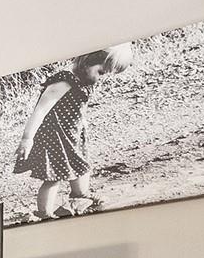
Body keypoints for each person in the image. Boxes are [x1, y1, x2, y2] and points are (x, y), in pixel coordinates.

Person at [13, 44, 131, 218]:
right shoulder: (64, 81)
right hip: (55, 139)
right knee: (53, 178)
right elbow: (41, 110)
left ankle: (80, 197)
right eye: (101, 72)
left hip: (73, 137)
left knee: (81, 167)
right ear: (87, 62)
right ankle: (44, 213)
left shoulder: (82, 82)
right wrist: (27, 139)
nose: (101, 78)